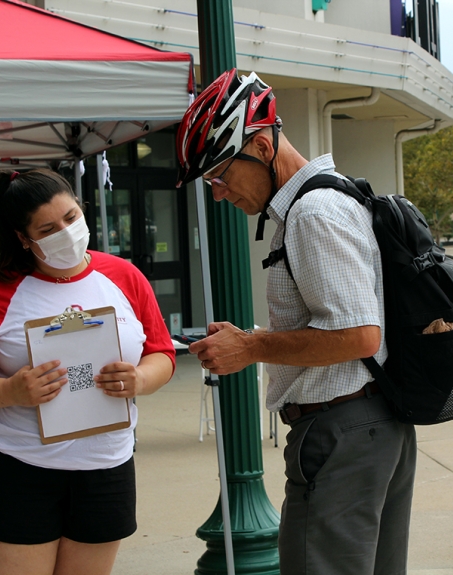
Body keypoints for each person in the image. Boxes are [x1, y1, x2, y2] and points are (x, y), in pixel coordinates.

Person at [176, 69, 417, 575]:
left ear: (262, 147)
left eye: (220, 173)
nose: (218, 193)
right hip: (370, 425)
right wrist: (252, 340)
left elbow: (357, 335)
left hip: (342, 430)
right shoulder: (332, 199)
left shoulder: (312, 213)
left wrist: (253, 348)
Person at [0, 169, 176, 575]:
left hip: (105, 467)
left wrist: (142, 379)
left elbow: (161, 353)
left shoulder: (124, 276)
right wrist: (10, 391)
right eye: (48, 228)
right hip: (13, 468)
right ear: (22, 238)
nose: (66, 232)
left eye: (70, 217)